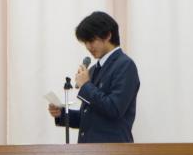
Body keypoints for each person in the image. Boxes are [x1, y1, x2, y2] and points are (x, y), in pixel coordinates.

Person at [49, 11, 139, 143]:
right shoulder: (93, 70)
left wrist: (86, 86)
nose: (87, 47)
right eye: (85, 42)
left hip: (113, 153)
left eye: (91, 40)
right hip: (90, 154)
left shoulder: (125, 65)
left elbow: (114, 109)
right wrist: (62, 114)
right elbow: (89, 118)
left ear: (108, 35)